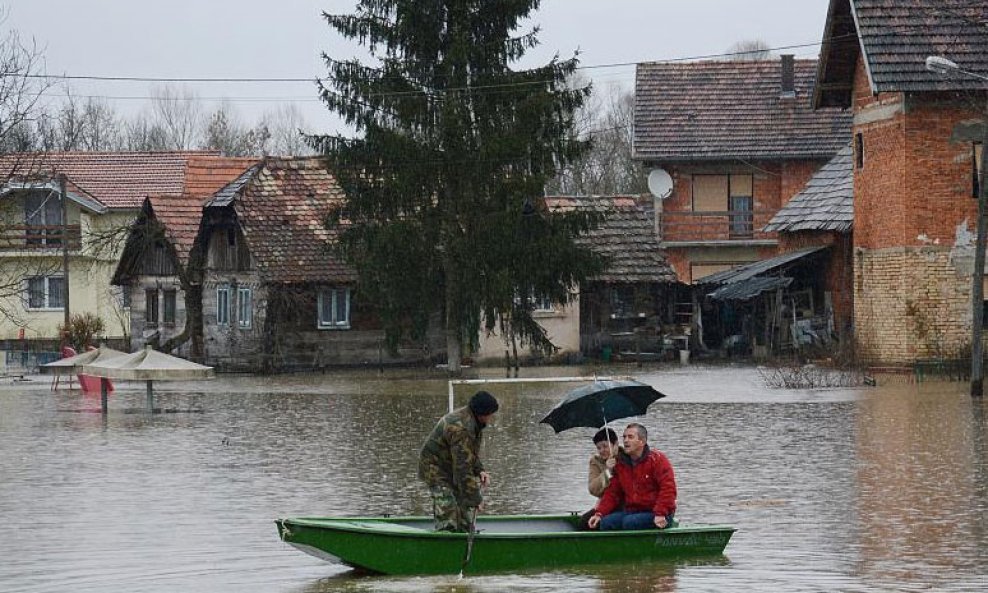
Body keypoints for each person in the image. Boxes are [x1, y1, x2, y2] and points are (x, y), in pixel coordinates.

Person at [418, 390, 499, 532]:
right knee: (448, 511)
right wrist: (476, 499)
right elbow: (463, 468)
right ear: (482, 414)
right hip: (435, 469)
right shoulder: (461, 429)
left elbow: (469, 453)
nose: (491, 418)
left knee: (463, 514)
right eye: (490, 414)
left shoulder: (472, 421)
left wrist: (480, 470)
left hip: (451, 465)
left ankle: (463, 531)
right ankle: (446, 540)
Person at [587, 422, 677, 531]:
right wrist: (599, 513)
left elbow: (668, 489)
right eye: (624, 437)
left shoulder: (657, 459)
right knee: (606, 523)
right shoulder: (622, 464)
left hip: (658, 513)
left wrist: (661, 513)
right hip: (633, 511)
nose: (625, 440)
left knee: (630, 522)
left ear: (642, 441)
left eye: (630, 437)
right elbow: (613, 493)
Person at [577, 427, 619, 530]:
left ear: (615, 444)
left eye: (605, 446)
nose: (602, 450)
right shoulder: (595, 461)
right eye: (599, 448)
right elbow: (593, 489)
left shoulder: (626, 457)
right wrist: (607, 472)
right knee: (585, 521)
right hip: (605, 503)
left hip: (623, 503)